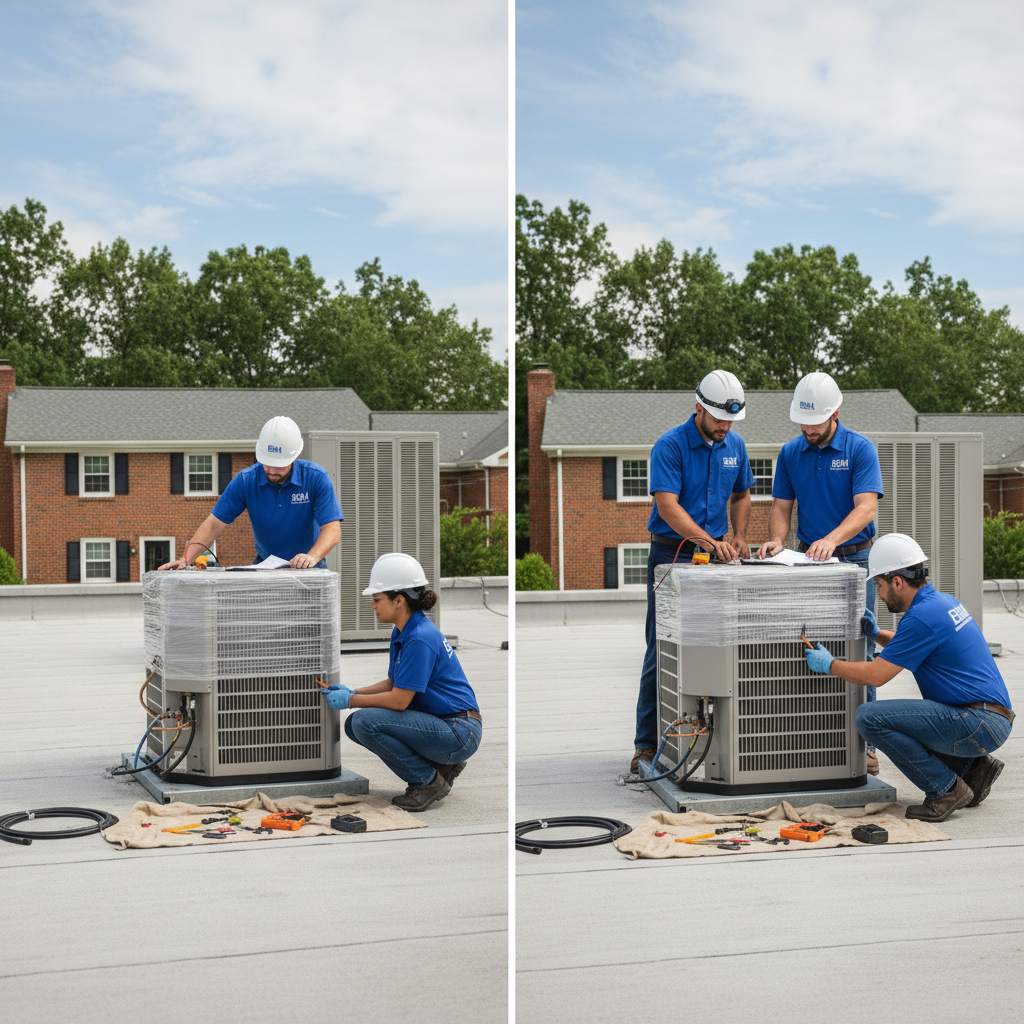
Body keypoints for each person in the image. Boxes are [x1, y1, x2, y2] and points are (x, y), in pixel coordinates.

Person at [804, 534, 1013, 823]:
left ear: (897, 582)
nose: (878, 593)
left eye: (879, 585)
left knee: (870, 717)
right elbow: (910, 647)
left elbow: (876, 676)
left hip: (977, 722)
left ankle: (946, 789)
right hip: (989, 718)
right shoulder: (940, 603)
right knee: (905, 719)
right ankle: (974, 770)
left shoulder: (921, 618)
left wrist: (830, 665)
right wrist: (876, 634)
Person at [757, 371, 885, 772]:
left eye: (815, 423)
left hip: (855, 560)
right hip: (810, 562)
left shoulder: (860, 449)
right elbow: (781, 507)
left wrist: (831, 539)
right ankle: (817, 732)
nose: (808, 430)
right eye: (803, 423)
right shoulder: (791, 452)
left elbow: (866, 507)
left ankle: (866, 743)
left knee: (859, 644)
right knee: (810, 641)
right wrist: (778, 540)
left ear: (835, 413)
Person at [630, 369, 754, 775]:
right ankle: (646, 746)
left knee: (718, 645)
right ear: (698, 408)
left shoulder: (734, 444)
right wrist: (705, 540)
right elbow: (667, 506)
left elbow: (742, 494)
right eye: (719, 419)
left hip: (716, 556)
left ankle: (717, 739)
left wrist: (738, 535)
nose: (725, 427)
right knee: (661, 648)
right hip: (672, 555)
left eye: (731, 420)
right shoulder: (670, 446)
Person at [323, 552, 483, 811]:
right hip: (448, 724)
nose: (372, 605)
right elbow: (393, 683)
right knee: (356, 724)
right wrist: (354, 691)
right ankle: (443, 767)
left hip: (458, 731)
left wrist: (351, 700)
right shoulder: (405, 630)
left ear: (398, 600)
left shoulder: (419, 638)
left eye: (376, 599)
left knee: (363, 721)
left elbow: (399, 701)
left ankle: (427, 781)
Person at [160, 416, 342, 570]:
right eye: (266, 462)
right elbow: (213, 524)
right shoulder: (247, 480)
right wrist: (186, 559)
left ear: (296, 457)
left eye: (278, 465)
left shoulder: (316, 478)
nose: (271, 470)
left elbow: (332, 530)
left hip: (309, 567)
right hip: (266, 566)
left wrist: (311, 557)